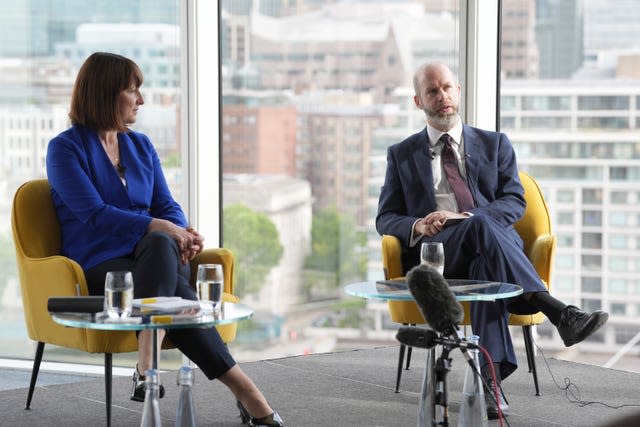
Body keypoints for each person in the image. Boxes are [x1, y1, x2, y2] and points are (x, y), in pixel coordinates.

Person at [46, 52, 283, 427]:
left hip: (155, 257)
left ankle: (147, 367)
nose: (141, 99)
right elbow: (94, 214)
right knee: (176, 284)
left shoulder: (140, 146)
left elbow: (166, 205)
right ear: (106, 94)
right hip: (103, 268)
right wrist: (164, 230)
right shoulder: (65, 149)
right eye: (132, 90)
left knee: (161, 247)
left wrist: (182, 233)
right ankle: (247, 393)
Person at [376, 61, 609, 419]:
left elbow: (514, 201)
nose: (443, 98)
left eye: (448, 88)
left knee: (484, 244)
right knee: (482, 228)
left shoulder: (495, 143)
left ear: (458, 90)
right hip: (438, 254)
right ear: (418, 101)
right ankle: (556, 310)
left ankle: (490, 383)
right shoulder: (402, 154)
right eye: (432, 92)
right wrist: (421, 224)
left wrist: (467, 218)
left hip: (487, 248)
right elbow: (385, 218)